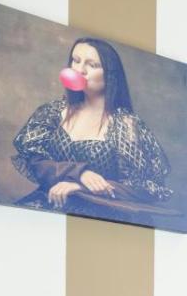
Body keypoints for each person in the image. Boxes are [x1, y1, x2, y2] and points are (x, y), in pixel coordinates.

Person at [11, 37, 173, 216]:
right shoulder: (51, 112)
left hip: (98, 214)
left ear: (110, 75)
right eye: (76, 60)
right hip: (49, 203)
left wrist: (82, 187)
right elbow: (35, 161)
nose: (79, 70)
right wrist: (79, 173)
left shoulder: (125, 125)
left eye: (92, 65)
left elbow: (143, 188)